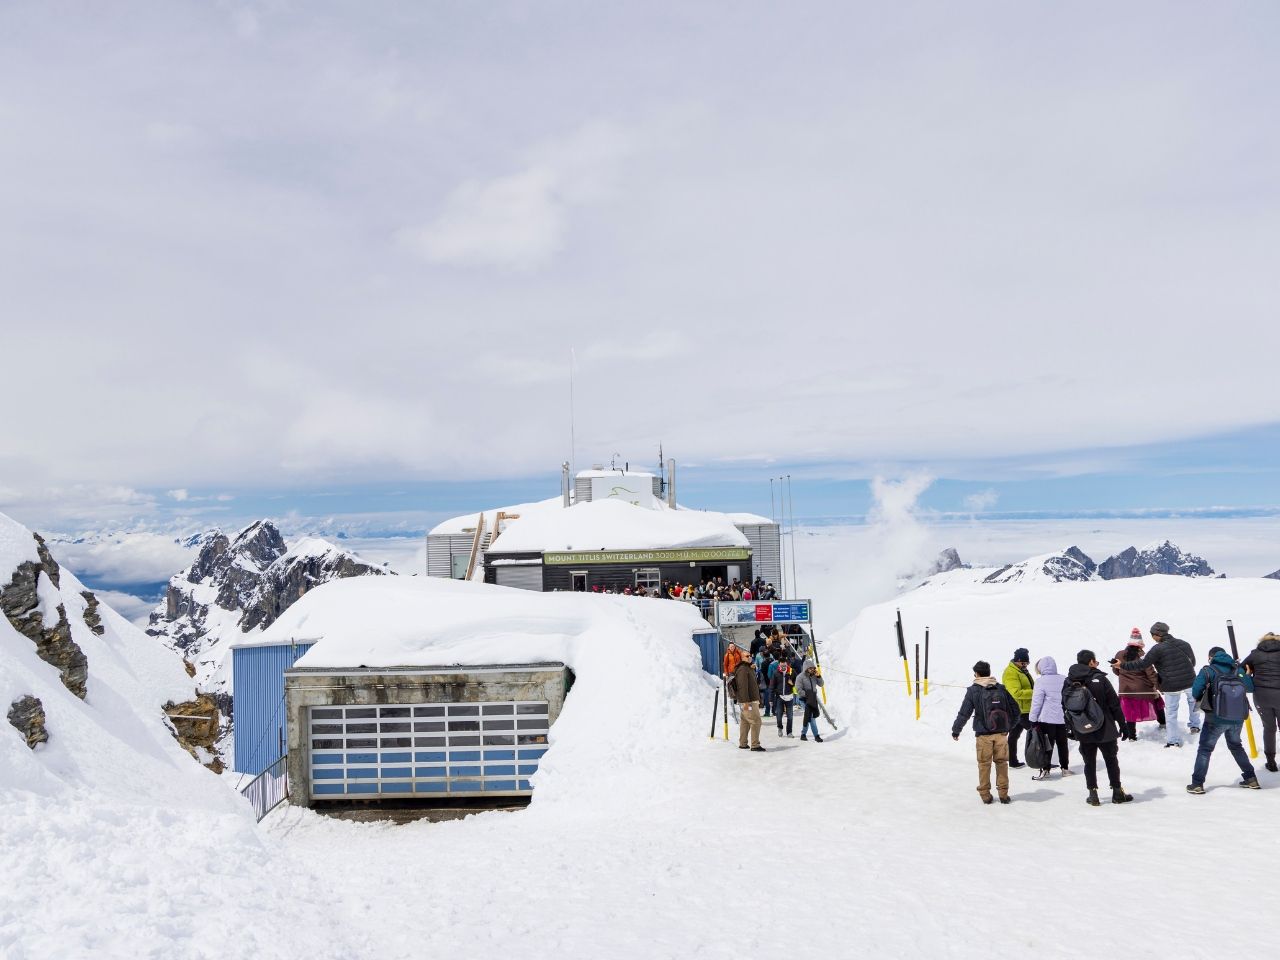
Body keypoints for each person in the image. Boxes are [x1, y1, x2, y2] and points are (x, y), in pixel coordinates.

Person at [1114, 621, 1199, 748]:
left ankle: (1173, 741)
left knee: (1171, 713)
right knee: (1193, 703)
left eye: (1152, 634)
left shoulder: (1157, 649)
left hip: (1171, 685)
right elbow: (1192, 662)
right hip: (1190, 680)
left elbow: (1142, 664)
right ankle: (1195, 726)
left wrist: (1122, 665)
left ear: (1157, 634)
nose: (1152, 637)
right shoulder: (1184, 644)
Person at [1064, 650, 1132, 806]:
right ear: (1091, 662)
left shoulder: (1069, 681)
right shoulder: (1099, 679)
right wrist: (1123, 725)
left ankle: (1093, 794)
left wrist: (1072, 728)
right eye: (1096, 662)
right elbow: (1114, 704)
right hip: (1105, 727)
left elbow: (1066, 706)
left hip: (1082, 728)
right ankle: (1117, 792)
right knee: (1111, 760)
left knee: (1089, 762)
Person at [1186, 646, 1258, 793]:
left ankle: (1197, 784)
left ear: (1211, 657)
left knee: (1205, 749)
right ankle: (1251, 778)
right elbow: (1250, 688)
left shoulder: (1208, 670)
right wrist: (1247, 674)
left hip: (1215, 718)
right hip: (1237, 717)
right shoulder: (1237, 670)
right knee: (1236, 746)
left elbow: (1195, 692)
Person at [951, 660, 1020, 804]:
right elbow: (1016, 710)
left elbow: (964, 713)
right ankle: (1003, 794)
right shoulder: (1001, 688)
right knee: (1002, 763)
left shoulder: (973, 690)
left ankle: (986, 795)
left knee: (984, 764)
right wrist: (1008, 727)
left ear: (976, 674)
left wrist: (956, 730)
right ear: (989, 672)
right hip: (1001, 734)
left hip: (983, 735)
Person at [1111, 632, 1161, 740]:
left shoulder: (1119, 654)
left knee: (1130, 712)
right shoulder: (1143, 656)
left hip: (1125, 690)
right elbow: (1150, 673)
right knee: (1157, 701)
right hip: (1144, 689)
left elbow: (1116, 670)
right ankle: (1163, 723)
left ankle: (1132, 736)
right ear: (1140, 646)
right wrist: (1158, 686)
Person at [1028, 655, 1071, 779]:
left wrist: (1033, 719)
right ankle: (1065, 768)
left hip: (1046, 719)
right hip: (1063, 718)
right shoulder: (1064, 679)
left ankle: (1045, 769)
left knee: (1047, 744)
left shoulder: (1040, 681)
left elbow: (1037, 702)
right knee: (1063, 744)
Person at [1242, 632, 1280, 773]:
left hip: (1261, 696)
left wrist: (1249, 673)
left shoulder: (1255, 654)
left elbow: (1240, 669)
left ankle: (1271, 762)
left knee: (1269, 728)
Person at [1002, 648, 1035, 768]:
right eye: (1023, 663)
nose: (1025, 665)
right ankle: (1040, 760)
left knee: (1014, 735)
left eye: (1027, 663)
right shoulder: (1011, 672)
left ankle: (1012, 761)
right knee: (1036, 734)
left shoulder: (1022, 671)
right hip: (1020, 710)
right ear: (1017, 661)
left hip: (1024, 709)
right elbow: (1016, 692)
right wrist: (1035, 692)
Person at [730, 654, 765, 752]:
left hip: (748, 700)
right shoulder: (743, 669)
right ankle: (755, 745)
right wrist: (745, 702)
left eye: (750, 655)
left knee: (745, 721)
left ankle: (743, 743)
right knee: (756, 721)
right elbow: (742, 687)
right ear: (742, 658)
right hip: (748, 701)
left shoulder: (748, 668)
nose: (749, 657)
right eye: (747, 656)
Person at [795, 659, 824, 742]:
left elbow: (821, 684)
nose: (812, 670)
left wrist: (818, 676)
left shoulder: (814, 675)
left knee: (809, 716)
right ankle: (816, 735)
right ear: (806, 668)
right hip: (804, 699)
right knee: (811, 717)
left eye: (813, 668)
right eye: (810, 668)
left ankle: (803, 734)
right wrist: (808, 694)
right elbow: (798, 689)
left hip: (812, 699)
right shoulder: (800, 677)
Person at [769, 658, 794, 737]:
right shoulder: (776, 673)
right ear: (779, 664)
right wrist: (771, 699)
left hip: (789, 696)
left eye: (784, 664)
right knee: (779, 715)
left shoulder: (791, 672)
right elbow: (772, 687)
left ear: (787, 664)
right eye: (781, 664)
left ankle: (789, 732)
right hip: (779, 697)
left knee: (790, 716)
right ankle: (780, 728)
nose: (783, 666)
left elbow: (797, 681)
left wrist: (792, 683)